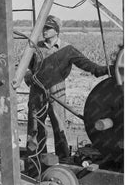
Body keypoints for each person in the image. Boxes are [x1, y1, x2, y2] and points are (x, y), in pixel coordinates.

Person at [24, 15, 110, 160]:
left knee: (59, 125)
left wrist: (105, 69)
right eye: (43, 28)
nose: (44, 31)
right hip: (37, 92)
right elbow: (24, 66)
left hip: (57, 91)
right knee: (34, 125)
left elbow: (87, 64)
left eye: (48, 28)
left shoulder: (67, 50)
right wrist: (27, 74)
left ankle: (63, 157)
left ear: (56, 31)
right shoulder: (35, 47)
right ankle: (35, 157)